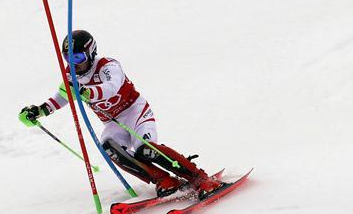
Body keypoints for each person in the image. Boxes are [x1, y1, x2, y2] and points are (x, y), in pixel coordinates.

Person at [19, 30, 218, 198]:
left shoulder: (108, 66)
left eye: (78, 57)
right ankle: (163, 180)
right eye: (68, 58)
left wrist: (87, 92)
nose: (73, 63)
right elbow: (63, 96)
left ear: (90, 53)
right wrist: (40, 110)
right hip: (113, 121)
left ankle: (200, 178)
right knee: (109, 146)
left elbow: (112, 87)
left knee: (144, 148)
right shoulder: (70, 75)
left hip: (135, 112)